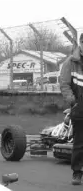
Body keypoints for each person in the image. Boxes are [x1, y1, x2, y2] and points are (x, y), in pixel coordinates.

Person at [60, 33, 83, 185]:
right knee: (80, 142)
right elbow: (64, 83)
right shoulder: (70, 62)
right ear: (81, 43)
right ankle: (77, 172)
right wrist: (72, 102)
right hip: (79, 107)